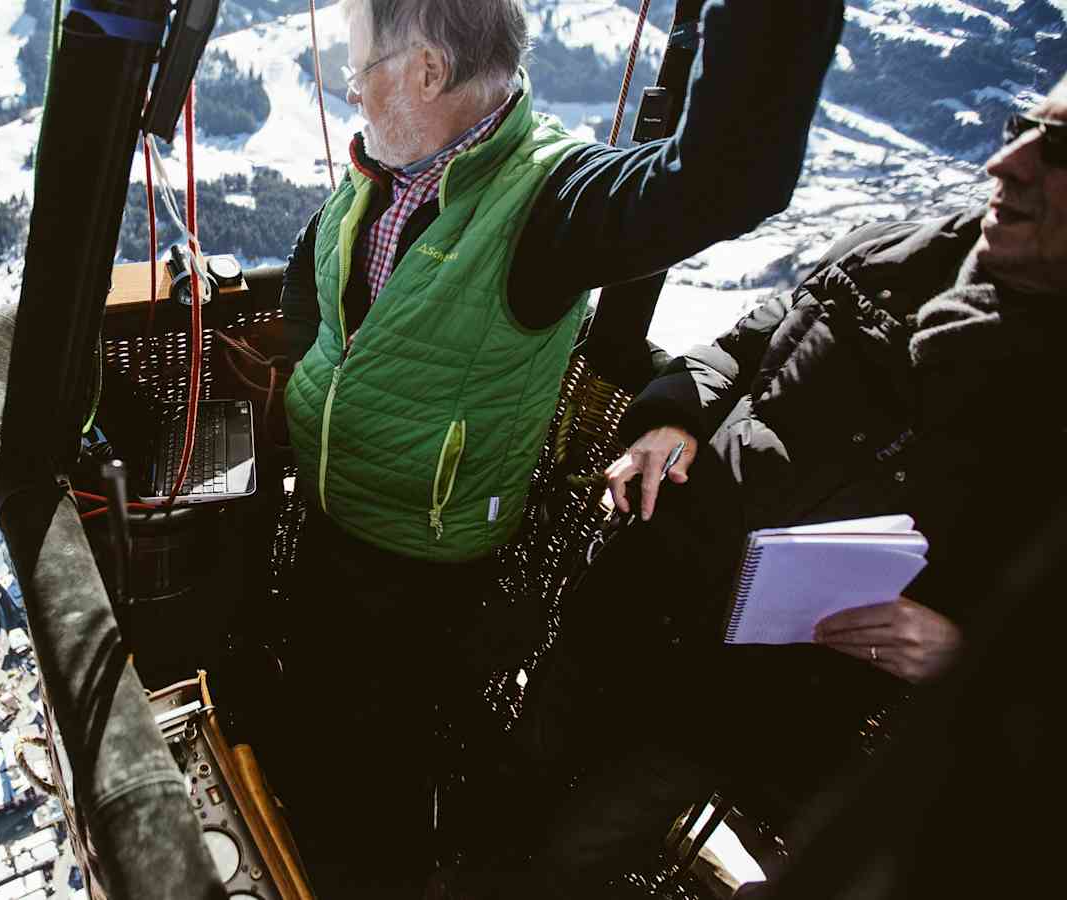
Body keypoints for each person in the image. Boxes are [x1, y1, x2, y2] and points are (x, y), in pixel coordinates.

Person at [265, 0, 844, 894]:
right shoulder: (390, 165)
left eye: (358, 75)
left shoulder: (551, 203)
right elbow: (320, 271)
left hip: (423, 569)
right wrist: (304, 369)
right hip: (330, 518)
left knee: (380, 782)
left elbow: (726, 180)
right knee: (308, 723)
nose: (352, 96)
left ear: (426, 71)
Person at [513, 73, 1067, 897]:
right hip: (632, 599)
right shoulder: (891, 255)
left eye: (1057, 150)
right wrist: (673, 417)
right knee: (523, 776)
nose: (1006, 161)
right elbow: (740, 347)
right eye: (1024, 124)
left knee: (579, 848)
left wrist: (960, 651)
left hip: (746, 707)